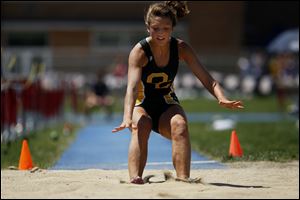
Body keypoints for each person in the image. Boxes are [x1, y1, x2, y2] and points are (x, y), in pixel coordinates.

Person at [112, 1, 244, 184]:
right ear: (148, 27)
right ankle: (136, 178)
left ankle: (183, 179)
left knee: (180, 125)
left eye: (165, 28)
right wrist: (127, 117)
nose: (160, 33)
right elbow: (132, 88)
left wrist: (222, 98)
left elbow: (208, 80)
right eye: (156, 28)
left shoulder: (181, 48)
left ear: (172, 28)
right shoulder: (139, 52)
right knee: (141, 125)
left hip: (166, 103)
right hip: (142, 104)